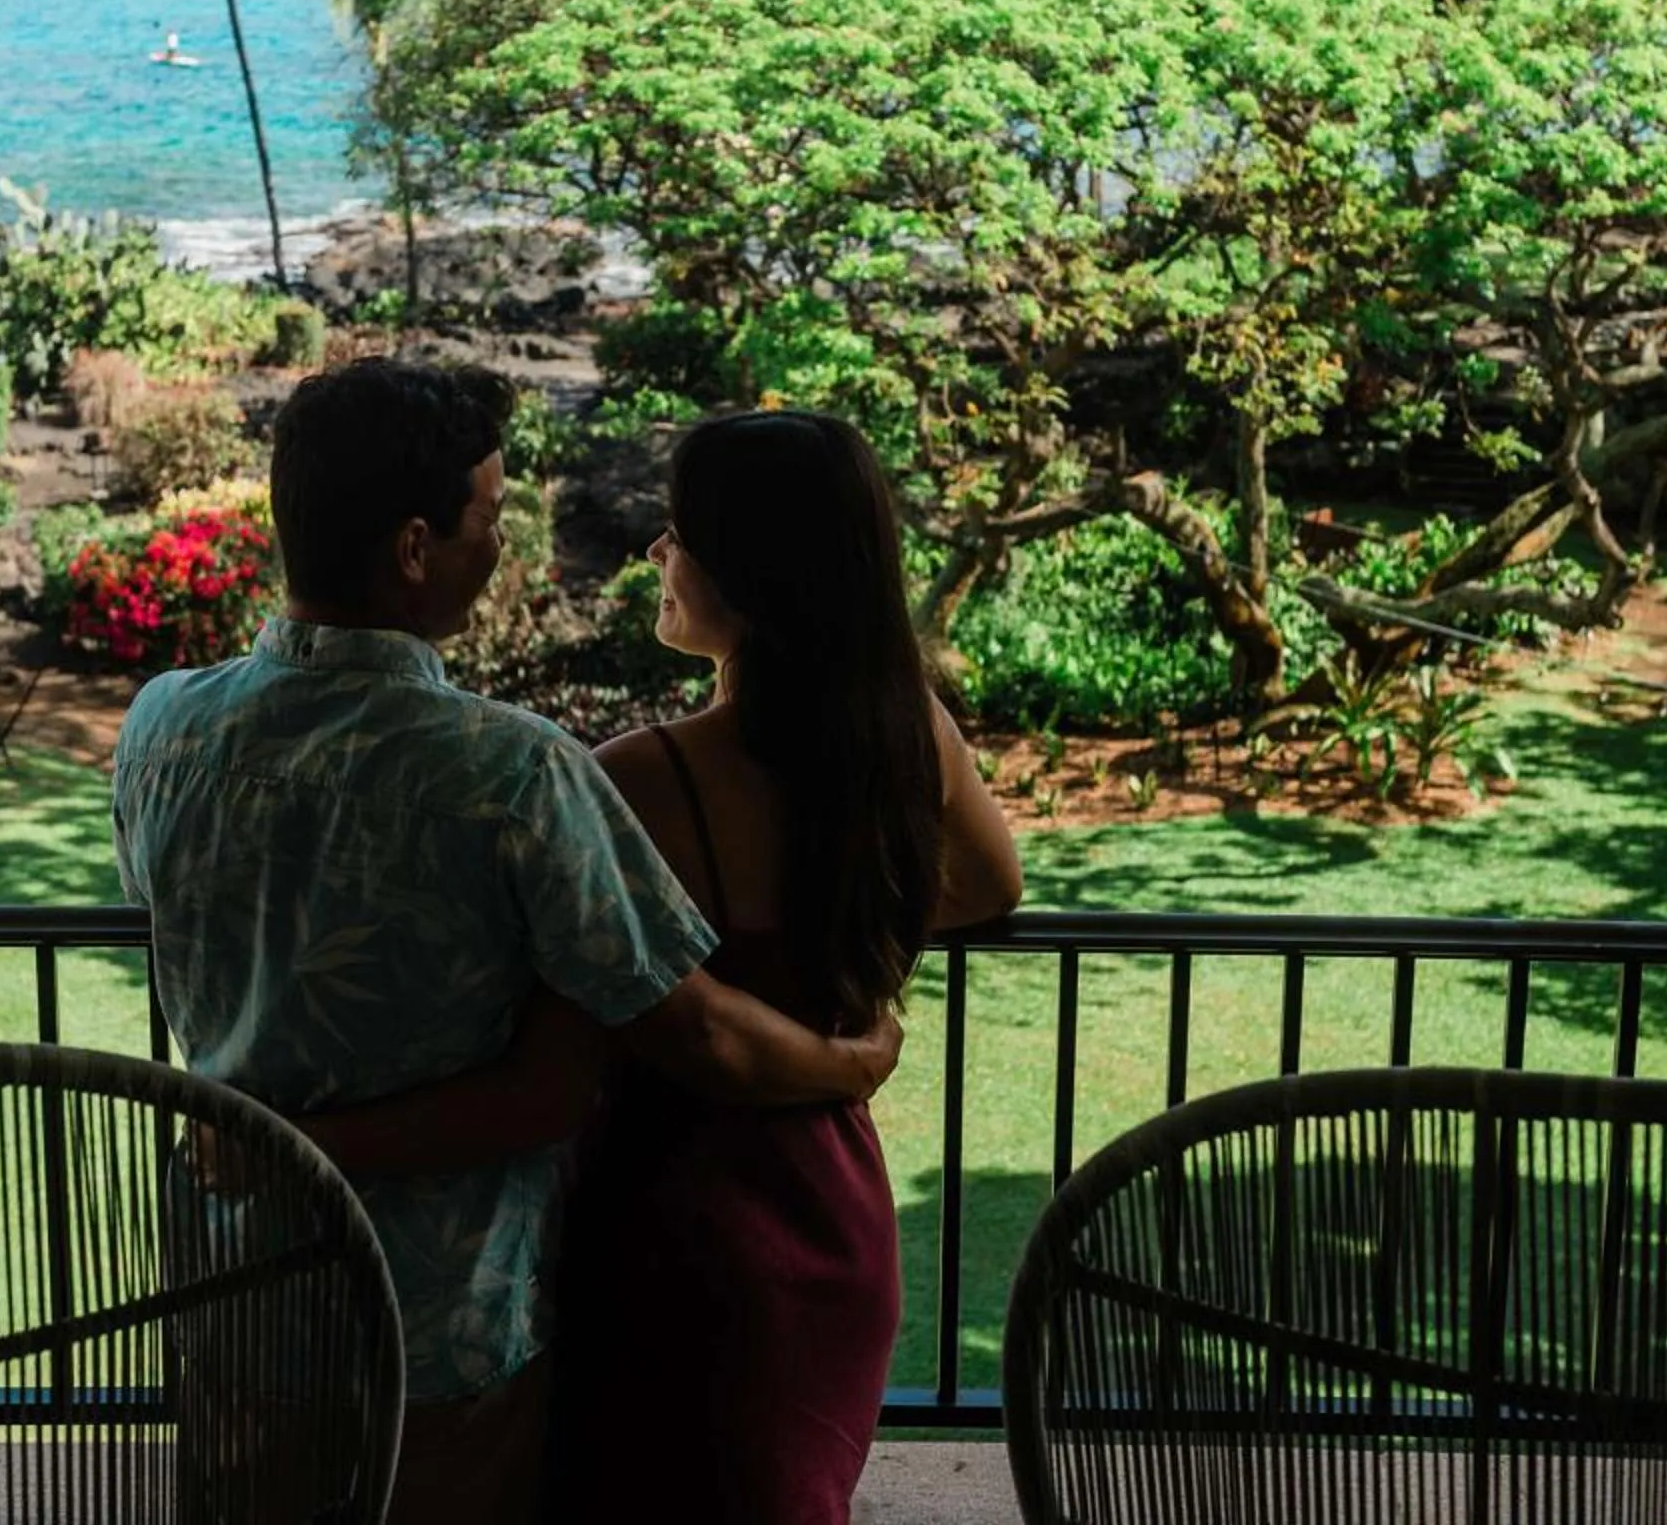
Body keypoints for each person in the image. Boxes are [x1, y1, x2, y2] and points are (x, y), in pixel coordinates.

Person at [113, 361, 900, 1525]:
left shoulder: (163, 727)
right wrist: (849, 1062)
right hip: (439, 1312)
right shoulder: (511, 771)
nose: (506, 541)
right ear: (416, 547)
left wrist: (280, 1133)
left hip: (238, 1291)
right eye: (488, 517)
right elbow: (663, 1042)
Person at [292, 409, 1023, 1523]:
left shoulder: (635, 782)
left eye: (676, 533)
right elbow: (988, 885)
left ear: (744, 570)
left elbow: (562, 1037)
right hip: (831, 1207)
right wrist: (843, 915)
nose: (656, 556)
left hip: (670, 1220)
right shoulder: (906, 732)